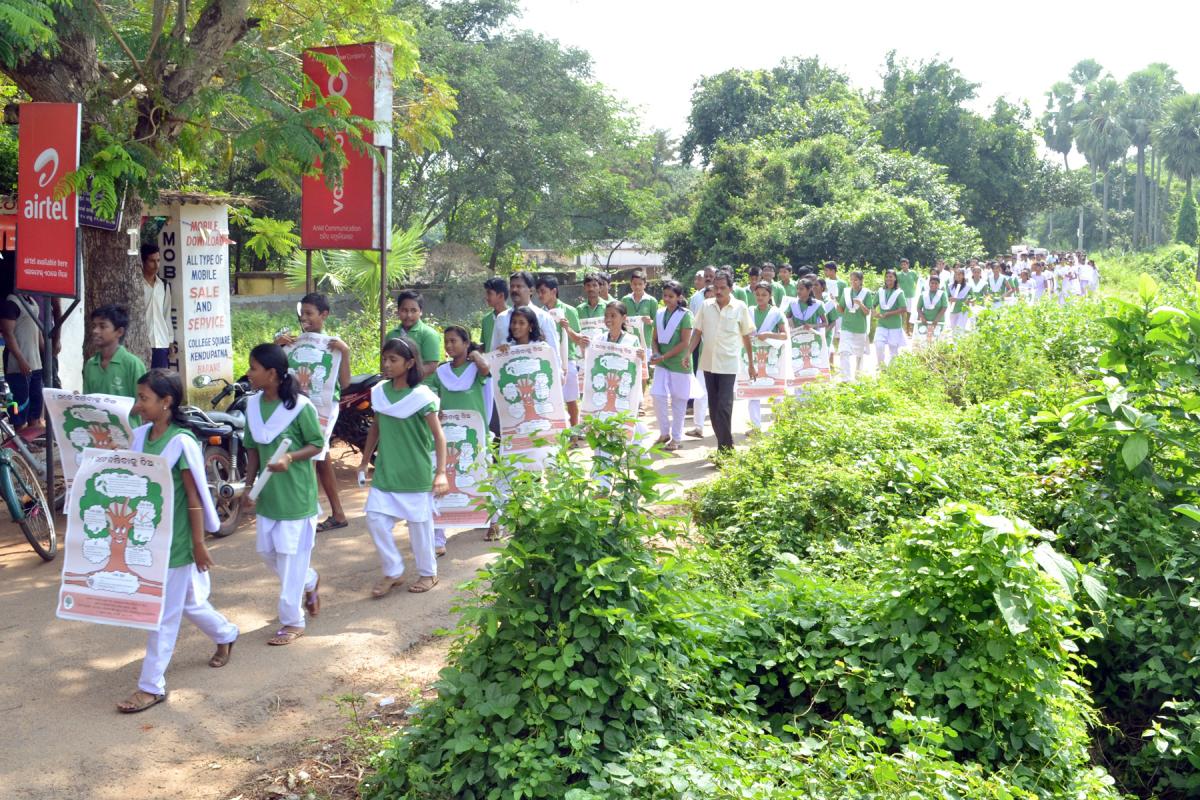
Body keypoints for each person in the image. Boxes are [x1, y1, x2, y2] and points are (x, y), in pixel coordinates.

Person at [116, 369, 237, 714]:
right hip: (147, 538)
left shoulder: (180, 442)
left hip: (177, 540)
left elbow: (194, 497)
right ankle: (226, 633)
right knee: (187, 605)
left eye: (144, 398)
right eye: (138, 397)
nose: (138, 405)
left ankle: (151, 686)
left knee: (161, 615)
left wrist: (199, 544)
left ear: (166, 402)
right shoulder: (139, 437)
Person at [243, 343, 324, 646]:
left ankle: (293, 621)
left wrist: (291, 457)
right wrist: (250, 487)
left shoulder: (300, 408)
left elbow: (317, 444)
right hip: (269, 497)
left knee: (290, 560)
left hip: (296, 497)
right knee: (267, 553)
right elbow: (252, 449)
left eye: (253, 368)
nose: (249, 373)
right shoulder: (252, 405)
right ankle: (310, 579)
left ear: (272, 374)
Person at [359, 336, 449, 597]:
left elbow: (439, 436)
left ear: (409, 363)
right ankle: (393, 570)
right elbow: (375, 427)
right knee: (375, 518)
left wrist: (441, 472)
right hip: (387, 470)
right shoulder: (379, 392)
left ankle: (428, 574)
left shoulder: (422, 397)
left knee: (420, 527)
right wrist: (365, 461)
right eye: (385, 359)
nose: (386, 364)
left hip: (415, 471)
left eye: (393, 360)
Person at [274, 293, 353, 533]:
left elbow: (346, 382)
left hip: (324, 407)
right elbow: (274, 371)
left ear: (324, 315)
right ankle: (336, 513)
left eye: (310, 313)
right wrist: (277, 347)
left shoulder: (334, 345)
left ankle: (306, 511)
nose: (305, 318)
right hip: (298, 406)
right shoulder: (290, 342)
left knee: (314, 454)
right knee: (320, 456)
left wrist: (346, 352)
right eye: (303, 314)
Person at [427, 326, 491, 549]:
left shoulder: (474, 369)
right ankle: (438, 535)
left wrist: (475, 354)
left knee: (480, 473)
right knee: (444, 475)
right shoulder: (441, 372)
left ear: (466, 343)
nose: (449, 346)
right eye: (447, 342)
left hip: (474, 431)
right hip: (448, 433)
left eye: (454, 341)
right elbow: (430, 396)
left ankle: (493, 520)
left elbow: (486, 369)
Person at [690, 269, 756, 455]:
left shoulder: (740, 307)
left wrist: (751, 364)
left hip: (728, 364)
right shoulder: (706, 305)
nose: (718, 291)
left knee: (724, 406)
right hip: (708, 363)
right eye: (715, 288)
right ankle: (724, 444)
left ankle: (725, 449)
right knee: (713, 407)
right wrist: (687, 353)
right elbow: (697, 332)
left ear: (731, 288)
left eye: (722, 288)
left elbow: (746, 336)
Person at [649, 281, 694, 451]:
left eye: (671, 296)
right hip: (662, 362)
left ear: (679, 297)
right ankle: (664, 432)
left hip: (679, 363)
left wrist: (664, 356)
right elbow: (654, 338)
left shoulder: (685, 315)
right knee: (657, 395)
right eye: (665, 295)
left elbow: (685, 343)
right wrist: (655, 353)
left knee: (679, 401)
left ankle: (676, 438)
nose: (667, 299)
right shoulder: (660, 314)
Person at [536, 275, 583, 427]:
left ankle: (575, 433)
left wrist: (567, 328)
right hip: (546, 362)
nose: (540, 295)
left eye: (543, 291)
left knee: (570, 400)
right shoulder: (537, 314)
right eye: (538, 292)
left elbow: (579, 340)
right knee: (549, 400)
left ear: (553, 291)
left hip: (567, 360)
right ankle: (555, 432)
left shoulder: (569, 311)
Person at [0, 293, 44, 430]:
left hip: (35, 363)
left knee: (36, 404)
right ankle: (21, 443)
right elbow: (7, 333)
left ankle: (31, 440)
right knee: (20, 406)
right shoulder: (12, 302)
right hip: (18, 366)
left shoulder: (32, 301)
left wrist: (46, 351)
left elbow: (37, 329)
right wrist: (21, 360)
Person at [83, 305, 146, 399]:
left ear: (119, 332)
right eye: (94, 326)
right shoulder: (91, 364)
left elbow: (143, 404)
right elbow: (88, 399)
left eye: (102, 326)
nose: (95, 331)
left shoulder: (133, 364)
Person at [748, 281, 787, 430]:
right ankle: (755, 427)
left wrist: (769, 334)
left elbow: (785, 335)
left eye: (764, 294)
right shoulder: (749, 311)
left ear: (770, 295)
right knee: (753, 391)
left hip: (772, 357)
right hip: (752, 356)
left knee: (776, 390)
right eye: (757, 294)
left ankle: (779, 425)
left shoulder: (776, 313)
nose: (760, 297)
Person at [490, 271, 558, 352]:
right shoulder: (501, 318)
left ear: (531, 290)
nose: (514, 289)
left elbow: (554, 352)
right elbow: (493, 351)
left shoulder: (543, 317)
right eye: (512, 286)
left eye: (519, 286)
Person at [386, 290, 442, 378]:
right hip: (396, 386)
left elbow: (432, 366)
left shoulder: (429, 334)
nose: (409, 315)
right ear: (398, 311)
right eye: (404, 310)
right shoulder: (391, 335)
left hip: (423, 386)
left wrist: (407, 379)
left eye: (413, 311)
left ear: (420, 312)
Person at [141, 243, 174, 369]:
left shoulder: (164, 285)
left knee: (159, 383)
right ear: (143, 261)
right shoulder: (137, 285)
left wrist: (170, 341)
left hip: (161, 342)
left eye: (158, 260)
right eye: (152, 261)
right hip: (143, 341)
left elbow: (167, 314)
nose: (156, 265)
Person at [836, 271, 873, 381]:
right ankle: (845, 379)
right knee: (844, 352)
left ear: (861, 281)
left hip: (860, 328)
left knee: (859, 355)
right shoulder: (846, 292)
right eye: (851, 280)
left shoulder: (866, 293)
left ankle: (858, 376)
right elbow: (842, 309)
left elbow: (867, 312)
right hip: (846, 327)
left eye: (855, 280)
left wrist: (860, 304)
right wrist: (835, 303)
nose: (853, 282)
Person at [874, 269, 907, 367]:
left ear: (895, 278)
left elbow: (904, 308)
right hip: (882, 324)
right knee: (879, 345)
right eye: (887, 277)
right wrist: (874, 312)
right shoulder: (881, 291)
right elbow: (873, 305)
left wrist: (890, 313)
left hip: (894, 325)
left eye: (891, 277)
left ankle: (892, 370)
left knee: (893, 350)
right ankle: (881, 366)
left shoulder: (899, 292)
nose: (888, 279)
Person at [480, 277, 509, 359]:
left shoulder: (515, 317)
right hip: (490, 367)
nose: (486, 297)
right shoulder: (486, 320)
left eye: (489, 293)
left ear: (501, 296)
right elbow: (484, 345)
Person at [915, 275, 948, 345]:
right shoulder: (923, 294)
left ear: (939, 285)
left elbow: (944, 307)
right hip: (925, 321)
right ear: (929, 284)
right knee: (923, 341)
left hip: (938, 321)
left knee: (936, 341)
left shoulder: (942, 294)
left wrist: (937, 319)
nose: (934, 285)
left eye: (936, 283)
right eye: (932, 283)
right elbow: (918, 307)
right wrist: (922, 317)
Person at [896, 258, 919, 334]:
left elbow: (918, 282)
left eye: (905, 264)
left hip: (911, 296)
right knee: (902, 314)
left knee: (910, 313)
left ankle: (908, 330)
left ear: (908, 265)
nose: (903, 266)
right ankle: (901, 330)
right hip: (902, 297)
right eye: (902, 265)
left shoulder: (913, 273)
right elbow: (896, 285)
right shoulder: (898, 274)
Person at [947, 268, 971, 336]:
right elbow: (947, 296)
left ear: (963, 276)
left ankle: (959, 345)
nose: (958, 276)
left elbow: (970, 298)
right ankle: (954, 345)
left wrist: (958, 300)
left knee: (960, 329)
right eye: (956, 274)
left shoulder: (968, 287)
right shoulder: (950, 286)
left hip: (963, 311)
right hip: (953, 310)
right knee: (953, 329)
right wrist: (950, 299)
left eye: (960, 274)